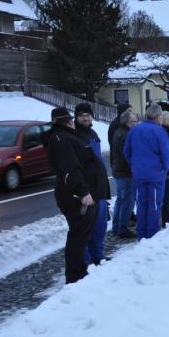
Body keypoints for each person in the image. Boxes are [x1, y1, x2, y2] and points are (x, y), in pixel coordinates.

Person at [43, 107, 107, 284]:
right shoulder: (63, 139)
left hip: (77, 193)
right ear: (69, 122)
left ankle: (80, 271)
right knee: (78, 235)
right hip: (75, 196)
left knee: (81, 234)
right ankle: (75, 275)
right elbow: (70, 169)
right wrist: (83, 191)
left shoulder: (62, 137)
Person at [124, 104, 169, 239]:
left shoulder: (134, 129)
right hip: (155, 175)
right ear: (159, 117)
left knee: (141, 204)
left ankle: (141, 234)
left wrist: (134, 165)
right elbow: (166, 154)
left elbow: (126, 151)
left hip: (138, 174)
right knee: (154, 204)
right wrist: (165, 168)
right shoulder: (159, 131)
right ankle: (151, 235)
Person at [74, 103, 112, 265]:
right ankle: (86, 261)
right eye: (81, 115)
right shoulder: (75, 136)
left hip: (100, 187)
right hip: (87, 189)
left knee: (100, 225)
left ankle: (98, 255)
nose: (85, 118)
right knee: (87, 227)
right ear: (76, 117)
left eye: (88, 115)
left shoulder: (93, 133)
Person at [110, 110, 138, 238]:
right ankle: (122, 228)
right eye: (134, 121)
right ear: (128, 122)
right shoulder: (126, 135)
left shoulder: (119, 131)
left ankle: (116, 227)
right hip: (126, 173)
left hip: (120, 171)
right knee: (127, 202)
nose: (136, 123)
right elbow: (127, 156)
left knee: (121, 201)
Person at [108, 103, 132, 168]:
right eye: (129, 111)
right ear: (122, 112)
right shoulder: (115, 125)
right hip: (118, 161)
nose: (131, 113)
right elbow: (113, 143)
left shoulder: (128, 123)